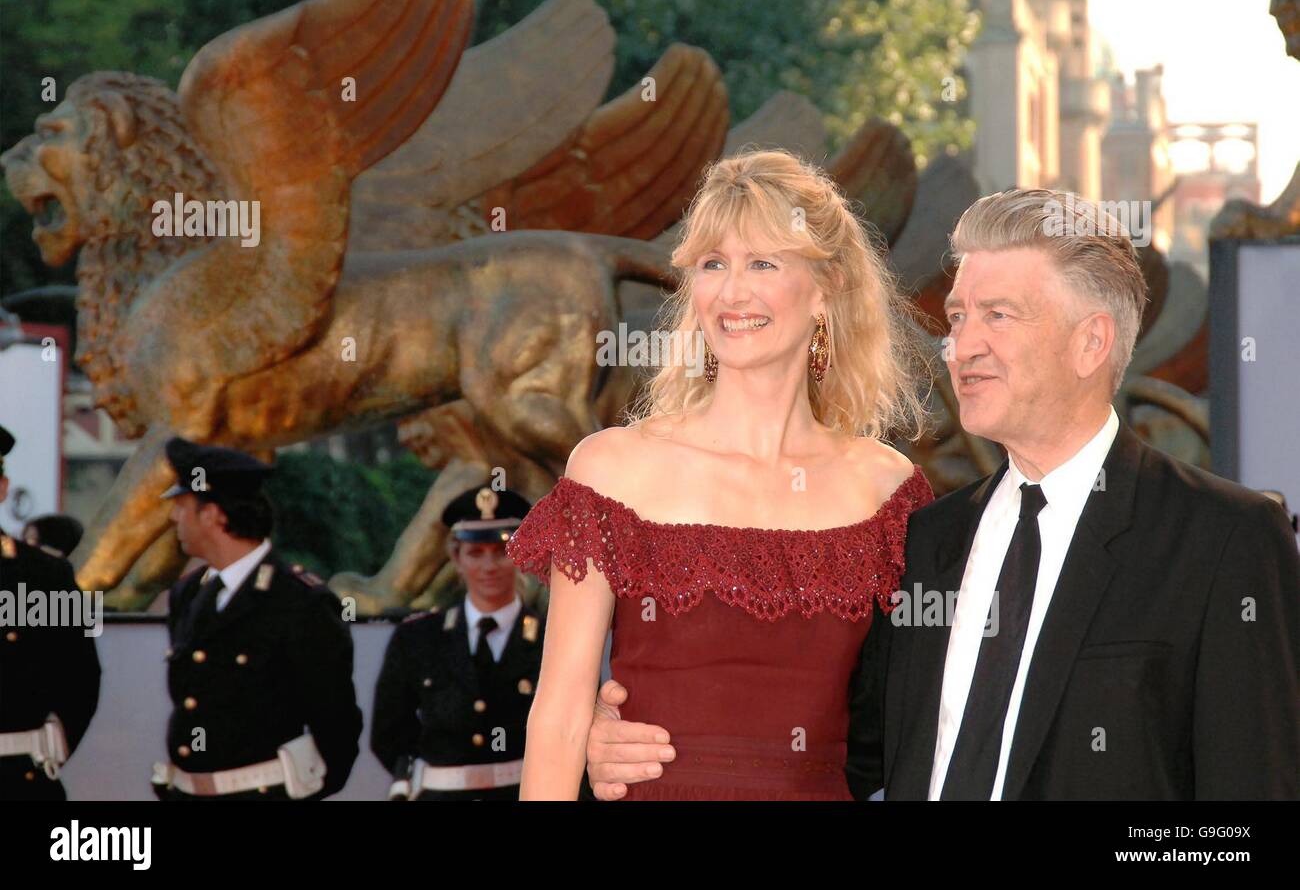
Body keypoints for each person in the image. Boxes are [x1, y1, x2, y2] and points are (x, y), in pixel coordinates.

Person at [587, 188, 1300, 801]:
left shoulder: (1224, 540)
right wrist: (634, 740)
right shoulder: (927, 542)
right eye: (958, 318)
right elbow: (831, 747)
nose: (963, 346)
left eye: (999, 315)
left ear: (1091, 342)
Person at [505, 149, 934, 800]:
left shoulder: (886, 490)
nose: (732, 292)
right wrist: (592, 736)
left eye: (763, 262)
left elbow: (919, 722)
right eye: (713, 264)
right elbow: (559, 718)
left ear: (826, 288)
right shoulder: (612, 470)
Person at [151, 437, 362, 800]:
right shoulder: (189, 594)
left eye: (182, 506)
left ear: (213, 514)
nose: (173, 517)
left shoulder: (299, 602)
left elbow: (336, 725)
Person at [371, 485, 543, 800]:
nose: (489, 566)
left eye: (500, 551)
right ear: (456, 557)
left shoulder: (551, 638)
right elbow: (389, 735)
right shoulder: (417, 639)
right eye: (476, 553)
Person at [0, 424, 101, 800]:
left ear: (2, 488)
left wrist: (48, 749)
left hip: (17, 780)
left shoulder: (45, 574)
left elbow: (80, 676)